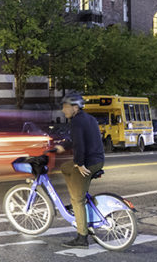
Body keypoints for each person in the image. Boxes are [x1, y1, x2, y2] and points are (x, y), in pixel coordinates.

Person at [53, 92, 105, 247]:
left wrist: (80, 163)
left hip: (87, 163)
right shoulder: (88, 119)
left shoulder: (77, 122)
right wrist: (62, 146)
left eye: (65, 107)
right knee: (64, 167)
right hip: (98, 160)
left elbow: (79, 145)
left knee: (77, 200)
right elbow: (77, 139)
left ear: (75, 107)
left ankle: (82, 237)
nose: (63, 110)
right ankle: (77, 194)